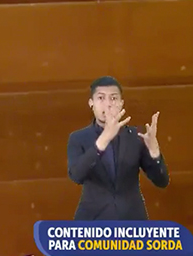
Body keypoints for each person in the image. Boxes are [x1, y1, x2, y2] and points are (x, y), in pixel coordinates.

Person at [66, 76, 169, 220]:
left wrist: (155, 153)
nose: (108, 104)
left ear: (121, 104)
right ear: (91, 103)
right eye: (101, 98)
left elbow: (162, 181)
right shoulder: (78, 138)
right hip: (93, 222)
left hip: (131, 221)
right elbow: (76, 176)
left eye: (113, 98)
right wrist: (103, 140)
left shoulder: (136, 136)